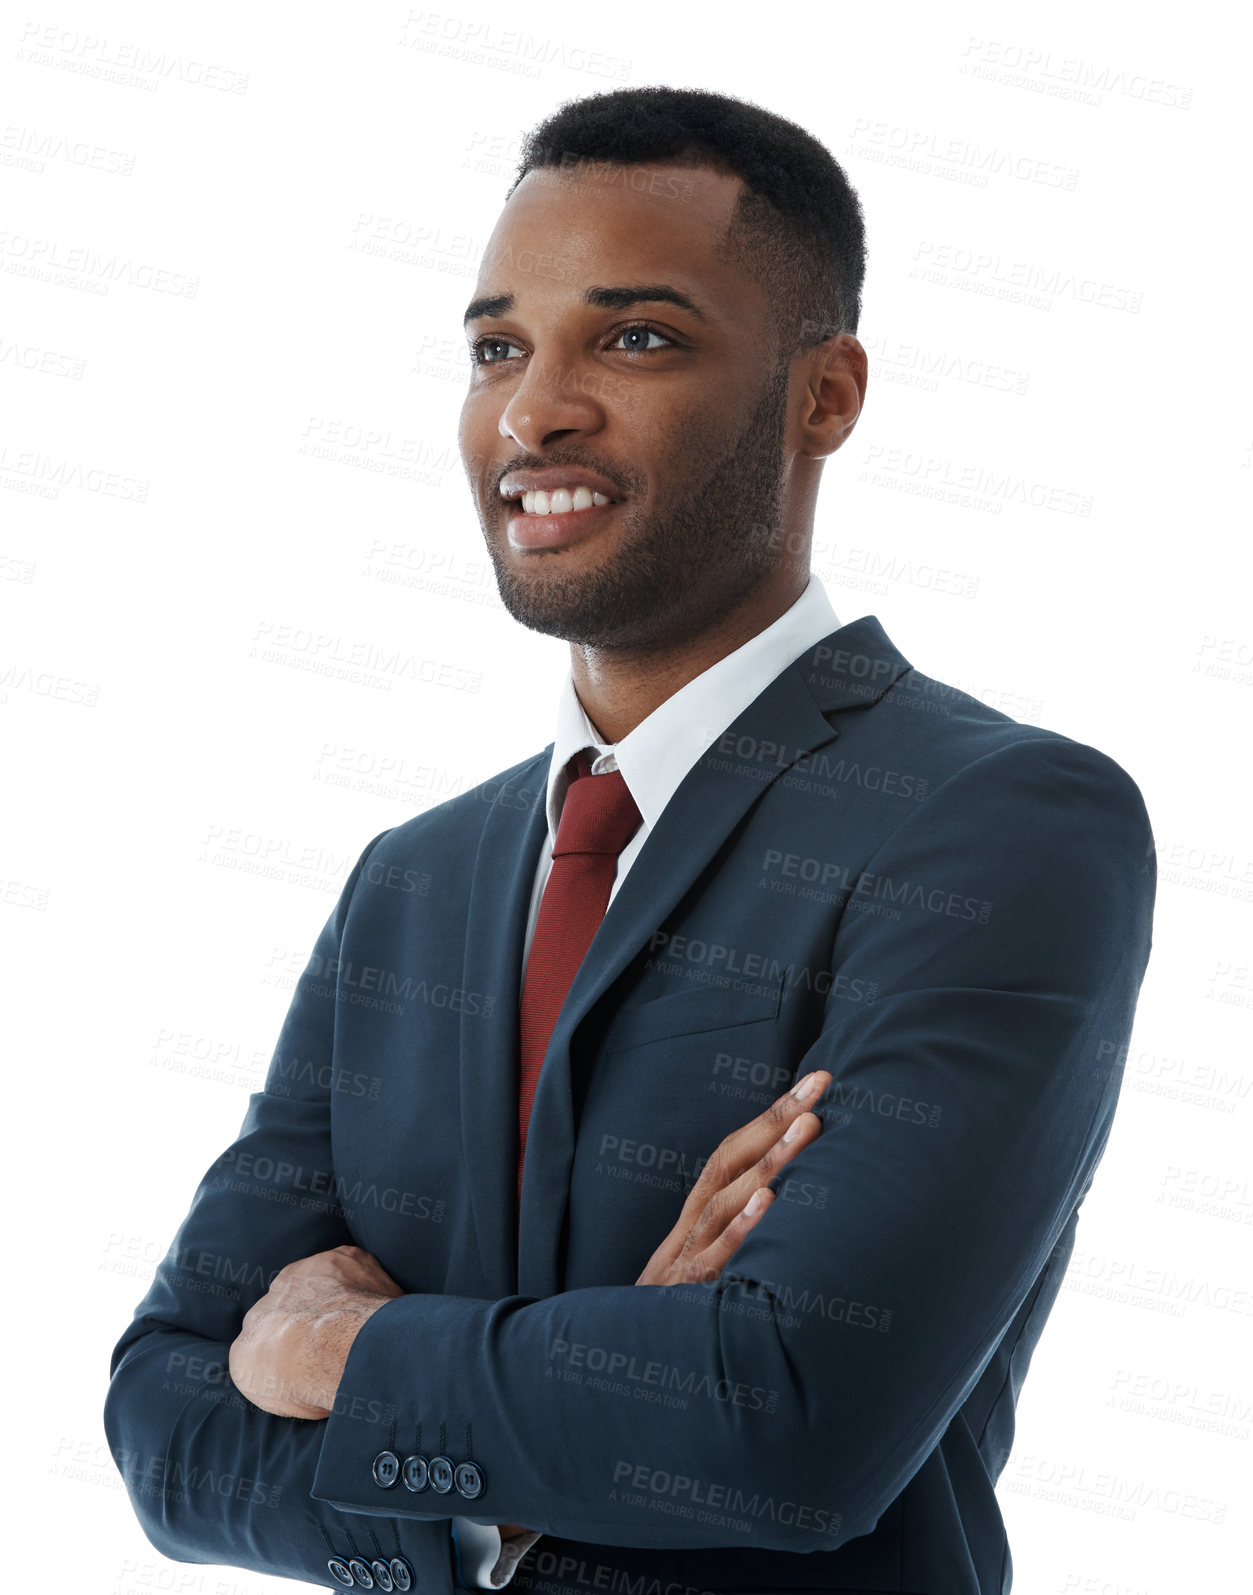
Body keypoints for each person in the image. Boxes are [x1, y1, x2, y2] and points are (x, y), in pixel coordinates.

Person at [104, 86, 1156, 1595]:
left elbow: (788, 1424)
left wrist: (348, 1348)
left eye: (637, 337)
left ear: (823, 395)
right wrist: (532, 1460)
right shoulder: (414, 878)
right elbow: (162, 1431)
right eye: (495, 349)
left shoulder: (995, 822)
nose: (535, 411)